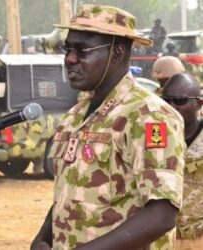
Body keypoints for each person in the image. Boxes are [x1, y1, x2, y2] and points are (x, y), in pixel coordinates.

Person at [31, 4, 186, 250]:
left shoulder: (148, 115)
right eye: (68, 48)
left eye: (82, 50)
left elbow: (162, 214)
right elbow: (71, 190)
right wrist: (43, 237)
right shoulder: (75, 116)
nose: (70, 59)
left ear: (117, 53)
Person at [162, 73, 203, 250]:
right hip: (160, 240)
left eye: (180, 100)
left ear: (199, 104)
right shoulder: (154, 140)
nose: (171, 107)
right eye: (166, 100)